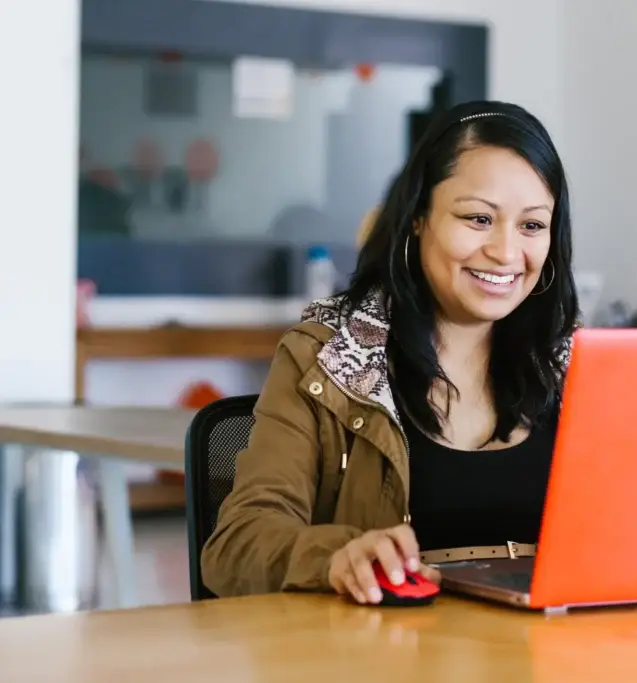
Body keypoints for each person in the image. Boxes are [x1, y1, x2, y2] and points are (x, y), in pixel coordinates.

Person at [201, 100, 579, 602]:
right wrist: (337, 557)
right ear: (419, 217)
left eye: (532, 226)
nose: (508, 253)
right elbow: (237, 545)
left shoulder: (572, 367)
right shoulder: (329, 355)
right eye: (479, 219)